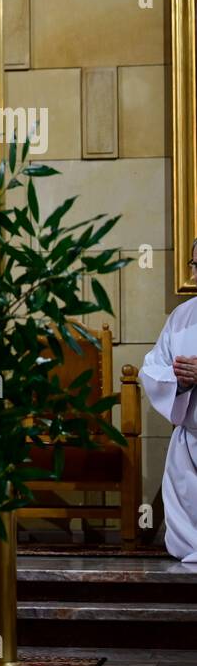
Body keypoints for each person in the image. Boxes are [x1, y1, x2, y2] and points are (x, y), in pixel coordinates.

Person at [140, 239, 197, 563]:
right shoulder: (183, 316)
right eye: (195, 266)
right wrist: (180, 380)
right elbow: (153, 368)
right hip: (190, 443)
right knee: (186, 543)